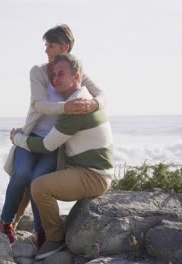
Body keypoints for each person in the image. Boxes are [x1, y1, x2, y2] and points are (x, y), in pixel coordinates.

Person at [0, 24, 107, 246]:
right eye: (46, 45)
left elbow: (103, 95)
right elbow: (38, 104)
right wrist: (66, 108)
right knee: (21, 174)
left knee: (39, 180)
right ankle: (6, 223)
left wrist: (93, 103)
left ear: (65, 48)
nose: (46, 51)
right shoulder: (38, 71)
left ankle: (42, 233)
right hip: (31, 137)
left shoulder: (75, 71)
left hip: (54, 143)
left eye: (52, 46)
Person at [11, 53, 114, 260]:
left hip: (94, 175)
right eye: (54, 74)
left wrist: (18, 138)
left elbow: (47, 145)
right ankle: (11, 224)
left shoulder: (76, 106)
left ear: (76, 78)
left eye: (61, 74)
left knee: (39, 186)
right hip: (83, 168)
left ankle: (55, 238)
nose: (55, 78)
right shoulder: (80, 100)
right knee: (29, 176)